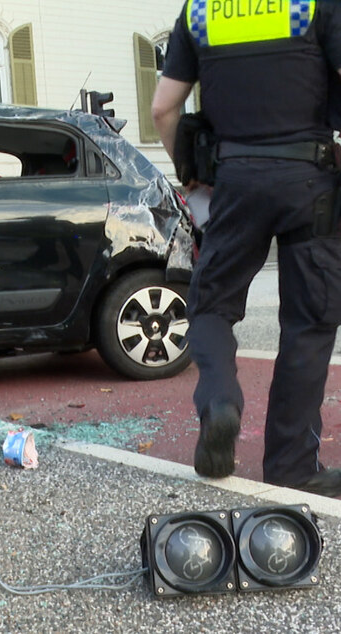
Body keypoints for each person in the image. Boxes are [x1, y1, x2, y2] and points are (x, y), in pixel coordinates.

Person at [152, 1, 341, 496]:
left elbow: (163, 108)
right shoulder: (314, 5)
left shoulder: (200, 12)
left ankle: (220, 402)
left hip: (234, 180)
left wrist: (192, 175)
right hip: (311, 181)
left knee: (211, 304)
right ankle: (292, 467)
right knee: (309, 324)